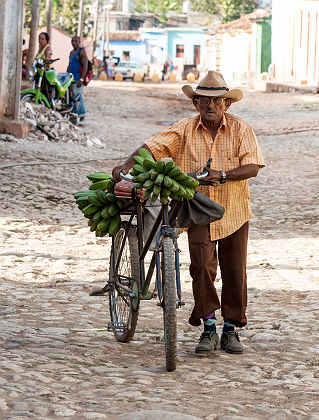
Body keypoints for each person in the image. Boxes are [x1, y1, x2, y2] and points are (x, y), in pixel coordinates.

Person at [112, 71, 265, 355]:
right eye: (205, 101)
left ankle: (231, 328)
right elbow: (152, 147)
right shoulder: (183, 129)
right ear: (195, 102)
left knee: (234, 270)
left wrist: (222, 175)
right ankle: (208, 327)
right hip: (196, 209)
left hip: (234, 210)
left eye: (217, 101)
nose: (211, 106)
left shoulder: (241, 128)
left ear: (227, 104)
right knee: (201, 268)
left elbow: (253, 166)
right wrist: (126, 163)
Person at [67, 36, 88, 122]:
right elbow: (69, 64)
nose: (74, 43)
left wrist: (81, 79)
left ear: (79, 42)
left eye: (76, 41)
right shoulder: (71, 52)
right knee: (73, 97)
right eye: (72, 41)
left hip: (78, 78)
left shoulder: (81, 52)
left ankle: (81, 114)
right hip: (71, 78)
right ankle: (74, 114)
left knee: (77, 96)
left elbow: (85, 65)